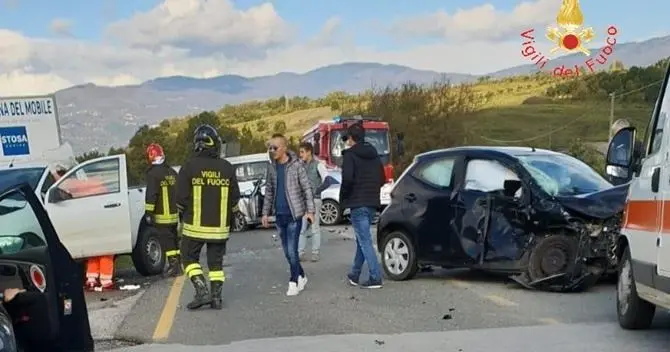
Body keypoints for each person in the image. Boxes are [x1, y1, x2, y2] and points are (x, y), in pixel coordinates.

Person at [177, 124, 240, 310]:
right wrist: (233, 216)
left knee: (188, 259)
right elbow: (235, 198)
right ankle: (216, 298)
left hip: (194, 228)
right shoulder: (227, 168)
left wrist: (182, 216)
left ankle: (201, 291)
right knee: (216, 265)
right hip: (219, 229)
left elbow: (180, 198)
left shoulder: (189, 167)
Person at [261, 133, 315, 296]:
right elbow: (269, 191)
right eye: (270, 148)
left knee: (292, 250)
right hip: (280, 216)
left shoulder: (297, 165)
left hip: (294, 214)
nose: (272, 151)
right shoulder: (271, 167)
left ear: (284, 148)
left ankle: (293, 281)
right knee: (286, 251)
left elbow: (306, 188)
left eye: (275, 148)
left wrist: (310, 211)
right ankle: (302, 275)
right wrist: (265, 213)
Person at [51, 164, 115, 290]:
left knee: (93, 251)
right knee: (107, 251)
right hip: (101, 221)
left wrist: (53, 173)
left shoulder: (79, 185)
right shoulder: (97, 184)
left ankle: (91, 279)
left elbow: (62, 184)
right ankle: (105, 280)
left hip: (87, 222)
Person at [340, 123, 386, 289]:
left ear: (351, 138)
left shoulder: (350, 155)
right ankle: (355, 273)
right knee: (362, 238)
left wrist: (344, 198)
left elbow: (347, 180)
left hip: (357, 202)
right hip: (372, 201)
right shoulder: (374, 155)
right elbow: (382, 178)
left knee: (365, 240)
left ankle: (375, 277)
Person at [144, 143, 181, 277]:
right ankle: (178, 265)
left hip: (162, 215)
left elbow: (151, 194)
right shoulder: (171, 172)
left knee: (167, 241)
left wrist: (148, 213)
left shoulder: (153, 174)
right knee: (174, 240)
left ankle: (173, 266)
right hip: (174, 214)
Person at [297, 142, 328, 262]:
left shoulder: (318, 165)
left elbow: (327, 179)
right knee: (302, 227)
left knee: (314, 227)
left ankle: (315, 252)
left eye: (302, 152)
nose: (300, 155)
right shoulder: (301, 166)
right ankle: (301, 252)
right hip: (303, 200)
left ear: (309, 151)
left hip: (314, 200)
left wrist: (317, 190)